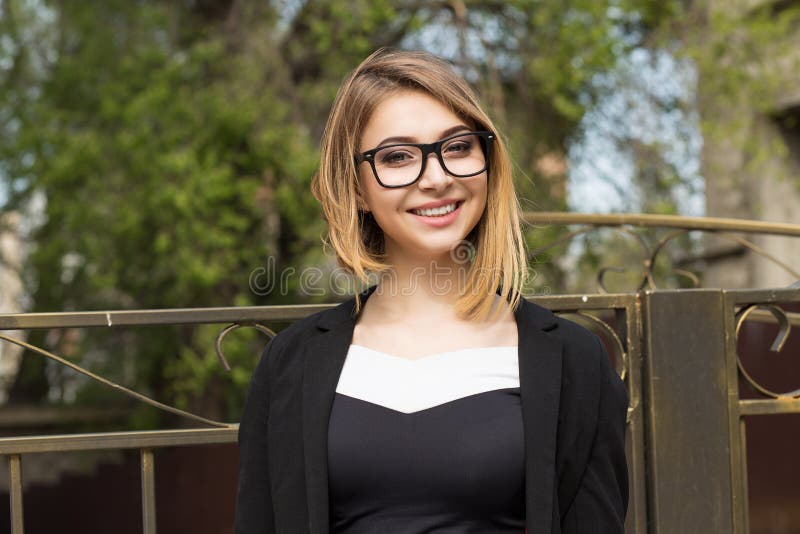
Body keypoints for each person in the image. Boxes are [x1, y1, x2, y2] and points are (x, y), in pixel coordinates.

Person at [235, 48, 628, 534]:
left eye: (459, 146)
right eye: (397, 157)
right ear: (356, 187)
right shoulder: (289, 365)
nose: (437, 177)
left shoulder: (574, 362)